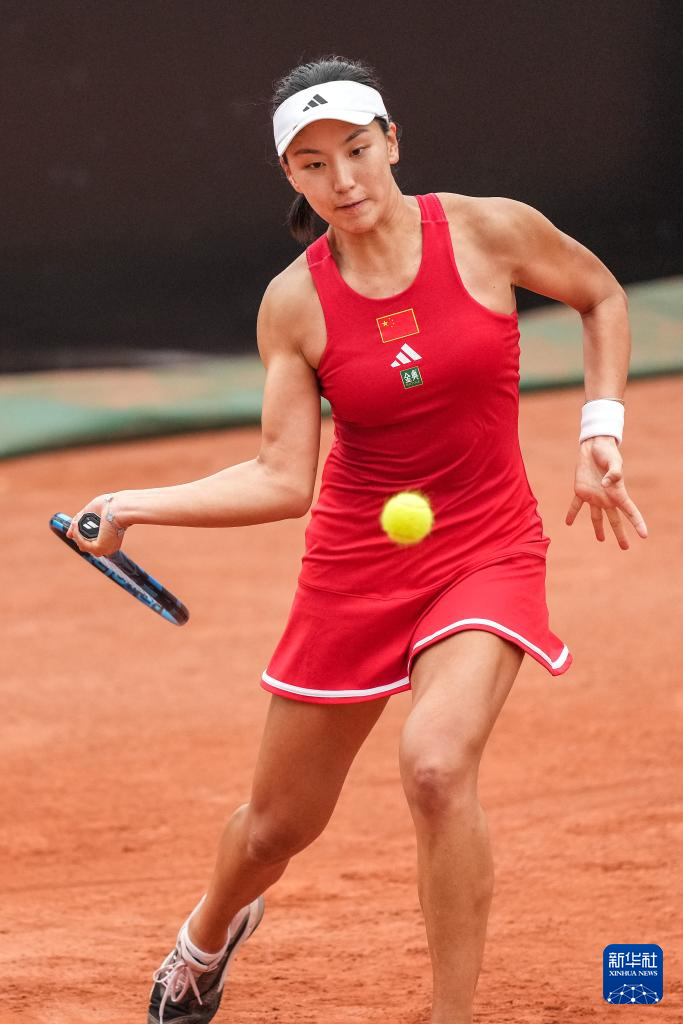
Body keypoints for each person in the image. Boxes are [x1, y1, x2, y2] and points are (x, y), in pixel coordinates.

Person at [68, 56, 648, 1024]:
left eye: (355, 149)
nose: (342, 179)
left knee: (435, 766)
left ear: (391, 142)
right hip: (356, 566)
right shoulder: (294, 304)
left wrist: (600, 431)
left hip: (486, 546)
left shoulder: (487, 230)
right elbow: (281, 477)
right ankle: (207, 934)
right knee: (275, 828)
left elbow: (600, 296)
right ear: (290, 177)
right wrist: (131, 503)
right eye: (312, 163)